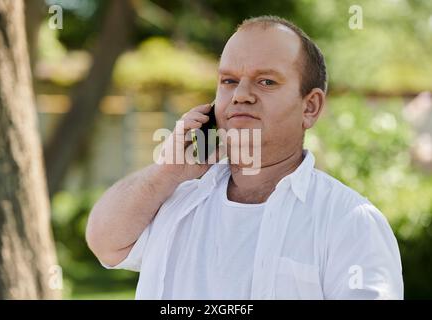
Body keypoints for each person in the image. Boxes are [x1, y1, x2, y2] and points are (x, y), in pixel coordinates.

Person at [85, 15, 403, 299]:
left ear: (310, 107)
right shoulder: (176, 198)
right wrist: (167, 172)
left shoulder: (349, 221)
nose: (241, 95)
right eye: (229, 81)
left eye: (266, 82)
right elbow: (105, 243)